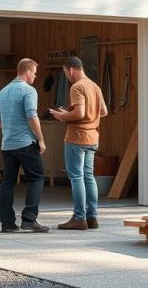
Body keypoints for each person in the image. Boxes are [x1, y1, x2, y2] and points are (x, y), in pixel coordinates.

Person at [49, 56, 107, 230]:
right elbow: (103, 111)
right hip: (92, 137)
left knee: (76, 177)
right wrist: (75, 113)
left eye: (66, 73)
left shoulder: (77, 86)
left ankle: (79, 218)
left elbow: (80, 113)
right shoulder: (94, 86)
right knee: (88, 176)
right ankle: (92, 217)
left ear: (71, 70)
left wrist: (62, 115)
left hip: (77, 138)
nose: (67, 76)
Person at [0, 58, 48, 232]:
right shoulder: (29, 91)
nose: (35, 76)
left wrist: (11, 128)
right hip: (25, 143)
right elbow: (32, 115)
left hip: (7, 144)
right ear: (27, 72)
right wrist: (40, 138)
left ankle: (7, 223)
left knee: (7, 183)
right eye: (34, 73)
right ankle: (29, 219)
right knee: (37, 177)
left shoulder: (2, 92)